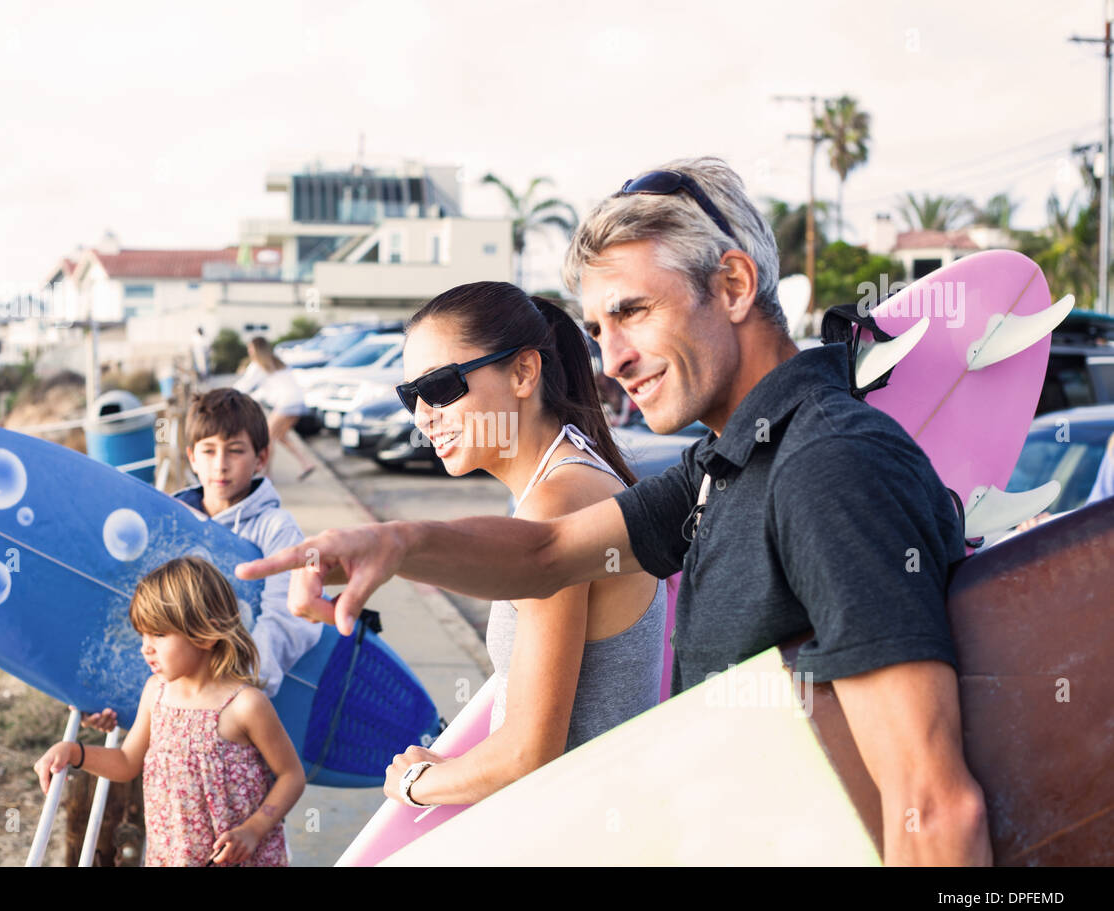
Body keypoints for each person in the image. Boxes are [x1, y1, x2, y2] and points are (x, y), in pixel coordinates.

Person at [238, 158, 992, 866]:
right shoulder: (729, 461)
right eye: (598, 328)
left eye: (632, 312)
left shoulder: (827, 465)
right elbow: (544, 555)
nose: (612, 357)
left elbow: (933, 807)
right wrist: (395, 543)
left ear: (731, 285)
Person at [381, 281, 664, 809]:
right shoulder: (569, 480)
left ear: (523, 372)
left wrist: (413, 786)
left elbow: (530, 753)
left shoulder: (559, 501)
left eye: (441, 387)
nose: (422, 414)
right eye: (409, 395)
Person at [34, 556, 305, 866]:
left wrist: (254, 830)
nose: (145, 648)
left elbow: (291, 775)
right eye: (143, 635)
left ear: (205, 634)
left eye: (159, 635)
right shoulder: (156, 693)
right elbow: (126, 762)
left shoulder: (245, 705)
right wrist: (73, 752)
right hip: (173, 857)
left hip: (243, 858)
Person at [83, 389, 323, 735]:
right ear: (192, 457)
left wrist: (234, 688)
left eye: (235, 451)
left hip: (240, 712)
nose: (220, 464)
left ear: (261, 457)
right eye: (208, 451)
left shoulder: (277, 529)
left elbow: (288, 619)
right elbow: (146, 618)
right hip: (172, 708)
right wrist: (121, 701)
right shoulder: (170, 523)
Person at [235, 337, 317, 480]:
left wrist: (225, 394)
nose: (249, 351)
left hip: (286, 404)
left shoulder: (258, 365)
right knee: (281, 436)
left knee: (267, 437)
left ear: (257, 349)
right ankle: (306, 463)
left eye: (251, 348)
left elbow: (243, 386)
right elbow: (266, 389)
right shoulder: (278, 362)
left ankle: (266, 474)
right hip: (298, 402)